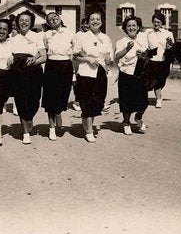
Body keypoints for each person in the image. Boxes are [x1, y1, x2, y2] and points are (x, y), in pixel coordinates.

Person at [73, 12, 113, 143]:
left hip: (101, 73)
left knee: (98, 101)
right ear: (88, 22)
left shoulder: (106, 38)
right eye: (92, 19)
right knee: (87, 100)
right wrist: (88, 59)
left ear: (102, 21)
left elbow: (110, 58)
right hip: (86, 73)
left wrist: (108, 59)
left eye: (98, 19)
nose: (95, 21)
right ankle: (89, 130)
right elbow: (75, 56)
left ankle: (86, 119)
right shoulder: (82, 37)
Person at [8, 10, 46, 144]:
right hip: (18, 73)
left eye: (27, 21)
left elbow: (44, 57)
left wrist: (32, 62)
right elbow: (9, 56)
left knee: (34, 101)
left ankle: (29, 118)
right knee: (20, 100)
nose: (24, 22)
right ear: (17, 23)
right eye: (21, 20)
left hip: (34, 72)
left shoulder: (37, 37)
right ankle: (25, 132)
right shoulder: (12, 39)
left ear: (31, 23)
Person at [114, 16, 149, 135]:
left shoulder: (143, 39)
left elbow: (149, 56)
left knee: (144, 102)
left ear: (138, 27)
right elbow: (117, 56)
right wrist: (127, 49)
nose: (131, 28)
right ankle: (126, 122)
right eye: (129, 26)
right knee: (126, 101)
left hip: (140, 73)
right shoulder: (121, 41)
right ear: (125, 28)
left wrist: (144, 55)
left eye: (134, 25)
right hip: (126, 73)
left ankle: (138, 118)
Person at [42, 12, 74, 141]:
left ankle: (59, 112)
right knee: (50, 96)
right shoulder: (46, 35)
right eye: (50, 20)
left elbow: (76, 50)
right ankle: (51, 128)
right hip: (51, 65)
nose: (53, 20)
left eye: (55, 17)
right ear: (48, 24)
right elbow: (44, 49)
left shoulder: (70, 33)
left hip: (66, 64)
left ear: (60, 19)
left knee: (63, 94)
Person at [146, 13, 174, 109]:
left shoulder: (168, 33)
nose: (156, 24)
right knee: (155, 81)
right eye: (154, 22)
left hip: (164, 61)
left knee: (162, 81)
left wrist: (169, 46)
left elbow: (171, 47)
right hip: (152, 60)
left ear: (162, 23)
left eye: (158, 22)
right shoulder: (148, 33)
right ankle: (158, 100)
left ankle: (159, 95)